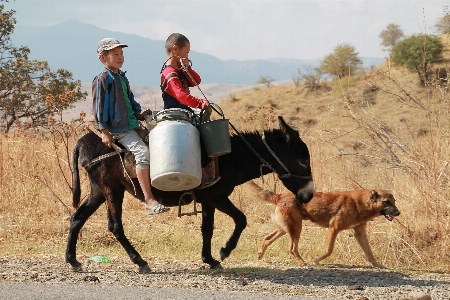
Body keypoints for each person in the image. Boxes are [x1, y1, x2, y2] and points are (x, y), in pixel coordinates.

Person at [93, 37, 169, 215]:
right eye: (115, 54)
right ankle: (149, 201)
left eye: (121, 54)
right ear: (102, 58)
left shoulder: (121, 77)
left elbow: (130, 101)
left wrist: (139, 114)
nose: (120, 57)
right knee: (142, 153)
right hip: (119, 130)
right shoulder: (103, 79)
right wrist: (104, 131)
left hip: (132, 124)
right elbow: (99, 106)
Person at [160, 33, 220, 189]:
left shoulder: (178, 69)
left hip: (185, 112)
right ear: (175, 49)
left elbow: (196, 81)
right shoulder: (169, 73)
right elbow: (181, 96)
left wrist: (186, 67)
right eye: (186, 52)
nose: (187, 55)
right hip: (175, 114)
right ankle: (201, 175)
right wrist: (200, 103)